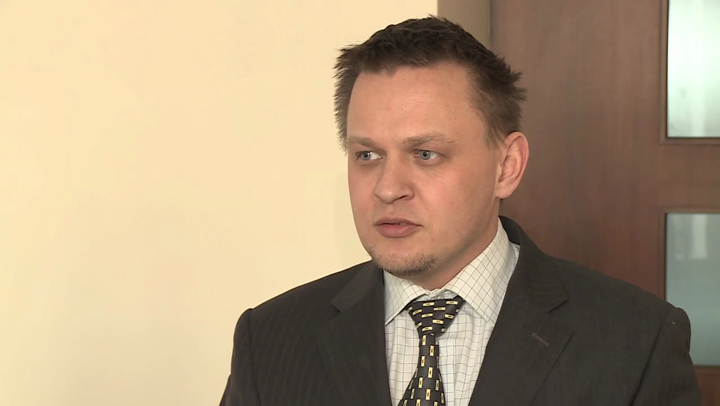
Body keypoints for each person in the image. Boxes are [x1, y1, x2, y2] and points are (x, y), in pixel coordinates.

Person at [219, 16, 701, 406]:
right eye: (367, 155)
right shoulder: (270, 340)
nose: (388, 188)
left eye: (426, 154)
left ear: (506, 166)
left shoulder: (637, 342)